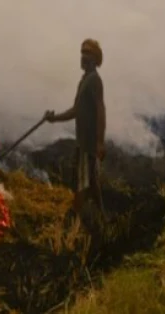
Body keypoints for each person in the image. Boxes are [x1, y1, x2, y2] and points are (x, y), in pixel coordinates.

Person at [44, 38, 107, 222]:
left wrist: (100, 142)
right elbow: (75, 111)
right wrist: (53, 118)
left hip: (88, 142)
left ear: (95, 59)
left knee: (82, 182)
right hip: (84, 140)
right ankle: (103, 217)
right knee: (92, 182)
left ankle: (74, 218)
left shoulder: (94, 80)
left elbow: (101, 110)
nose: (83, 57)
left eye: (87, 53)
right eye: (82, 53)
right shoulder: (85, 80)